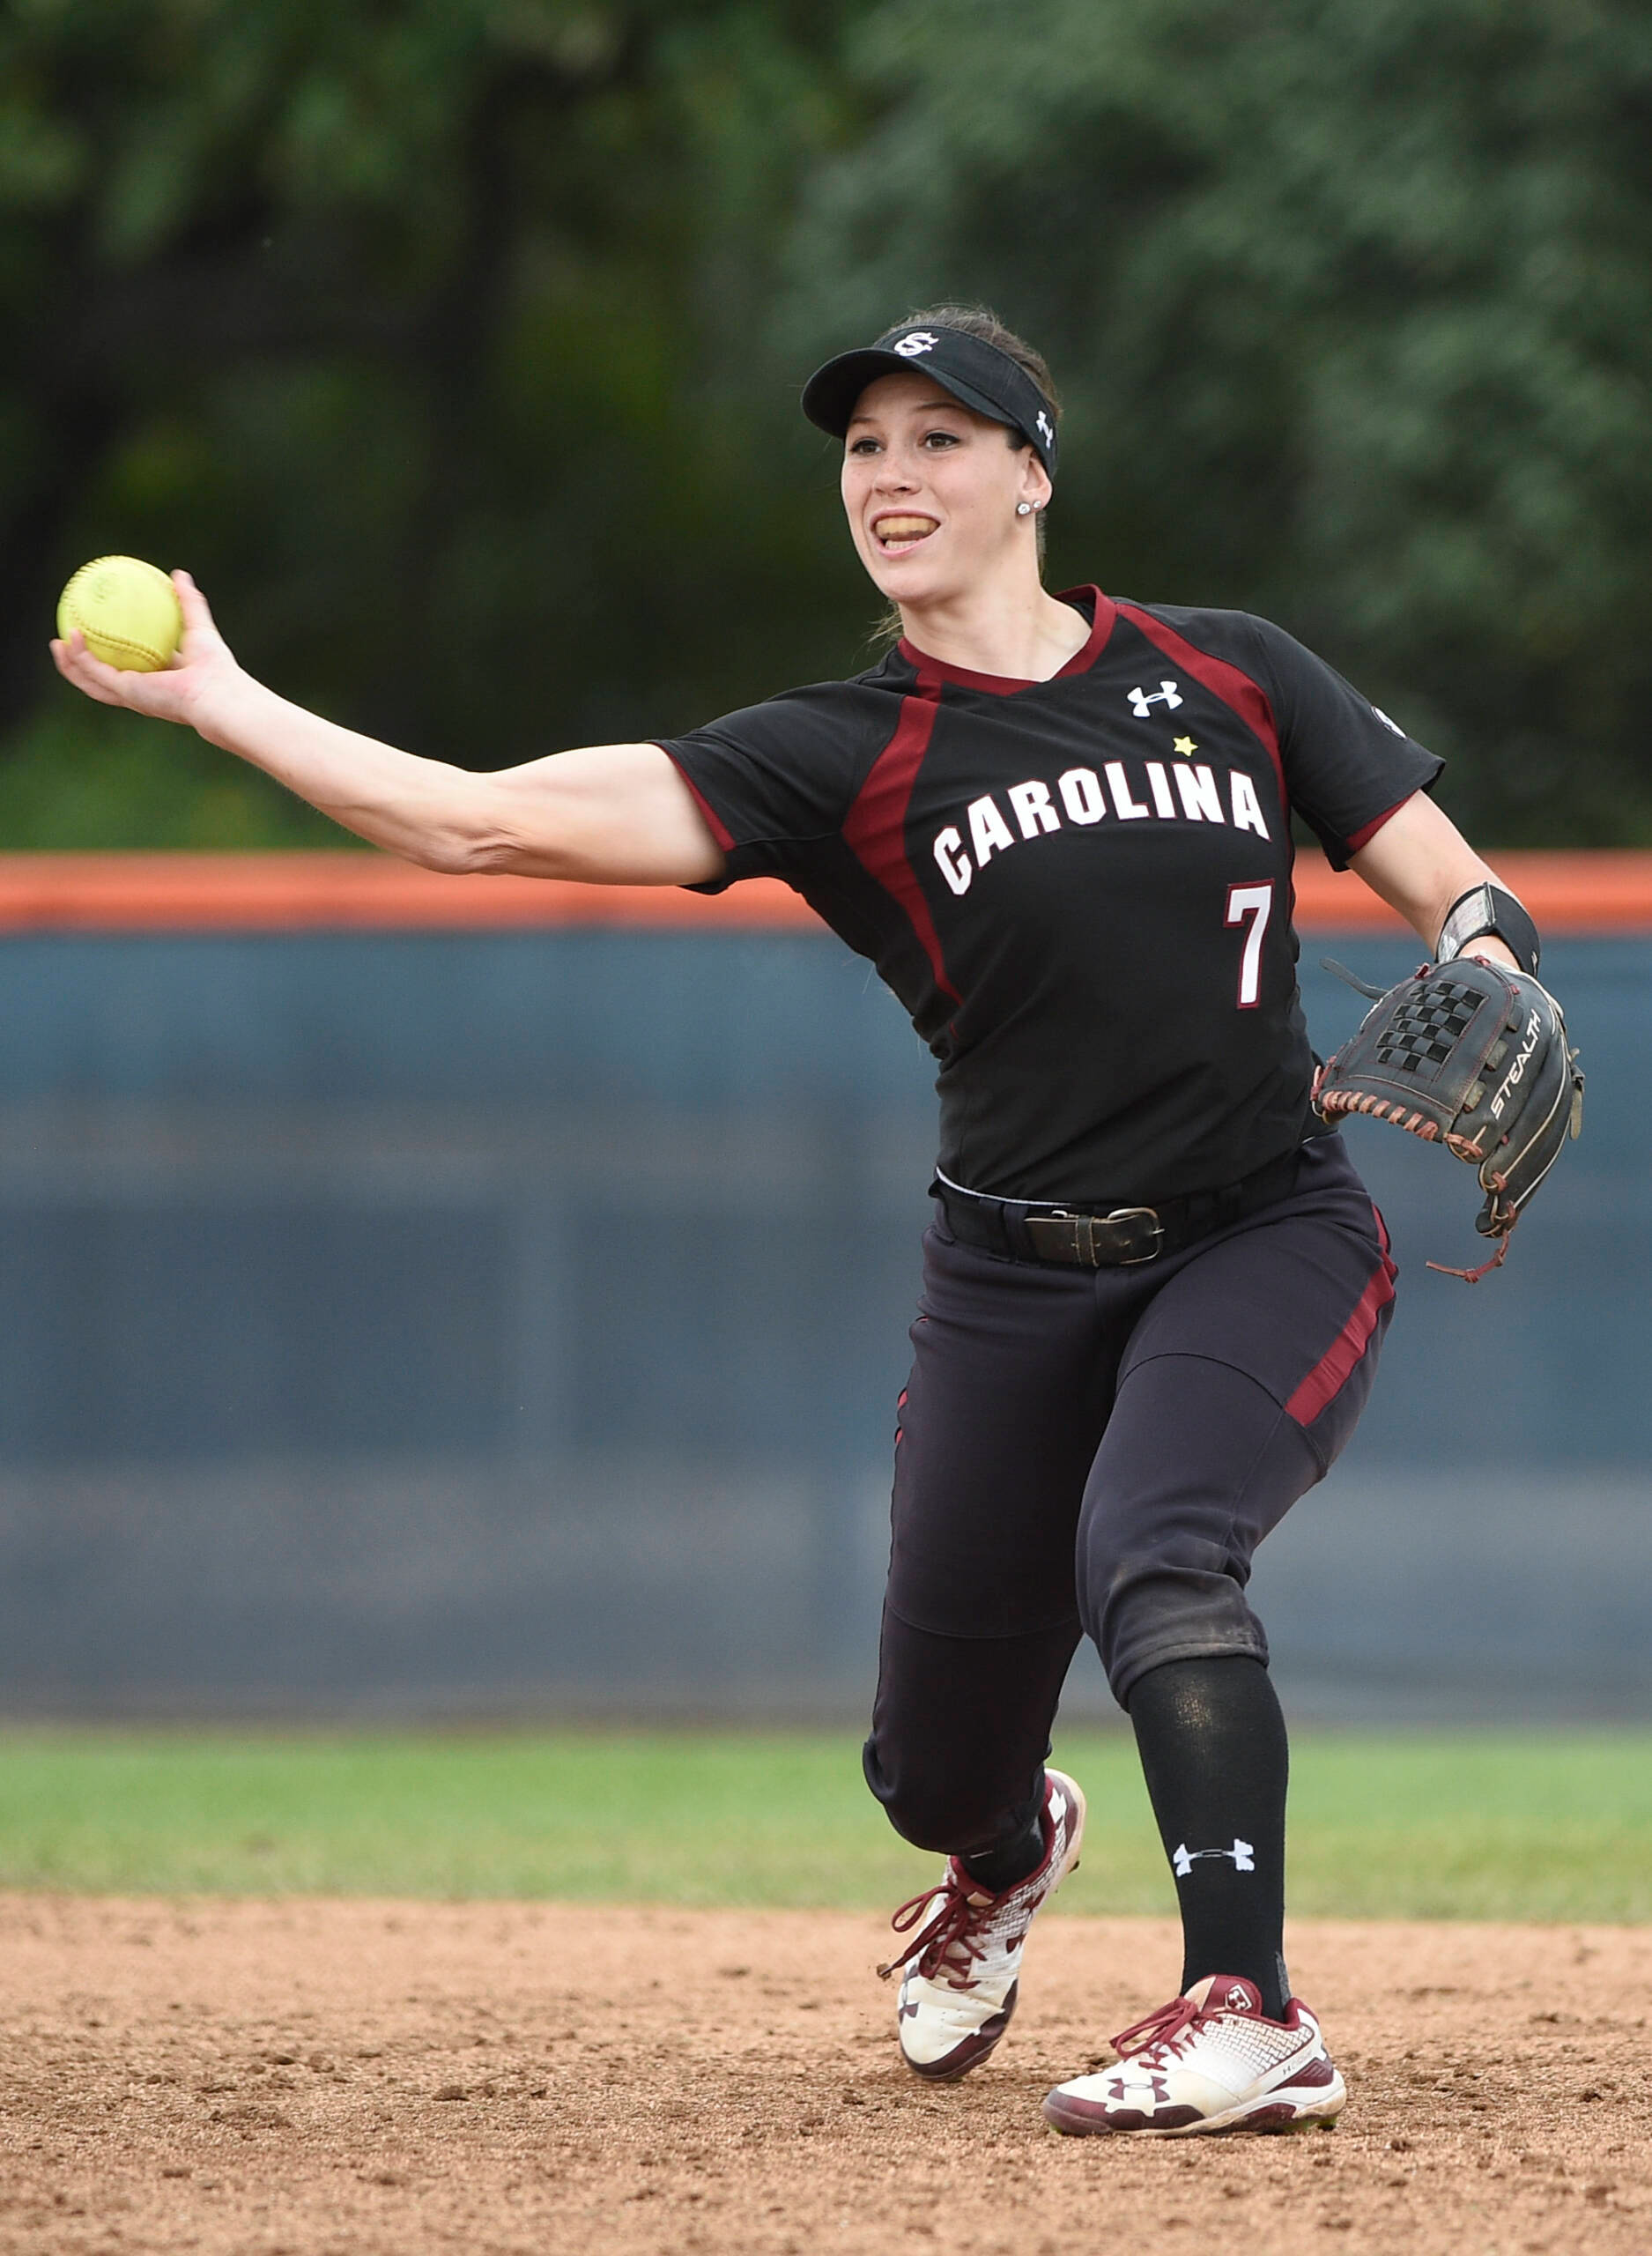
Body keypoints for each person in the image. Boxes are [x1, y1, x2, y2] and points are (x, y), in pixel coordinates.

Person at [54, 304, 1538, 2137]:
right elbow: (473, 826)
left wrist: (1483, 948)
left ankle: (1248, 2003)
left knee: (1155, 1552)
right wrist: (220, 696)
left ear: (1030, 473)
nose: (891, 476)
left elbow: (1455, 888)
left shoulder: (1228, 670)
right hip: (1011, 1275)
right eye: (863, 447)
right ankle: (1007, 1846)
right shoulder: (838, 753)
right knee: (929, 1767)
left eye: (938, 438)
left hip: (1262, 1229)